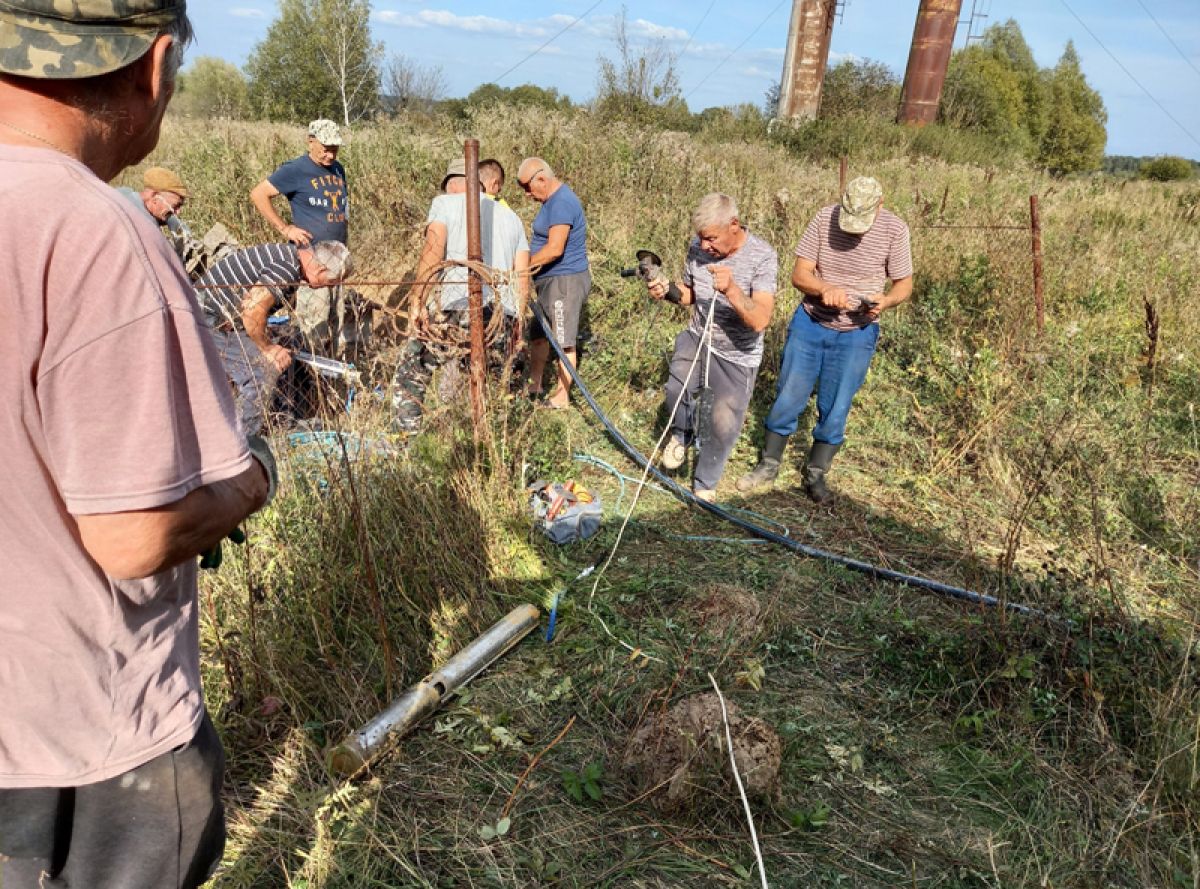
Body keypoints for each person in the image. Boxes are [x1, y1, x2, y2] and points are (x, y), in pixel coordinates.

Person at [0, 3, 274, 888]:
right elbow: (137, 534)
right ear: (154, 65)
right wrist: (255, 477)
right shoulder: (94, 228)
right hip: (79, 747)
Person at [738, 176, 913, 502]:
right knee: (789, 394)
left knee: (837, 404)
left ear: (881, 204)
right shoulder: (823, 217)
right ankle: (769, 463)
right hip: (811, 323)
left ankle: (816, 474)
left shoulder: (895, 230)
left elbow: (904, 285)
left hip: (857, 333)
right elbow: (799, 274)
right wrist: (824, 289)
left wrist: (885, 302)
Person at [645, 194, 777, 501]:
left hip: (736, 354)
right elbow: (691, 295)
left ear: (734, 225)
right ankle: (682, 434)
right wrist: (667, 290)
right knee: (676, 390)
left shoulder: (762, 256)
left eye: (711, 238)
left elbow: (760, 319)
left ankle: (705, 483)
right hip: (698, 336)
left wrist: (731, 289)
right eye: (701, 239)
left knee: (722, 421)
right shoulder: (698, 246)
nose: (704, 246)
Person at [393, 156, 531, 430]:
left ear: (455, 185)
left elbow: (433, 251)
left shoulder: (445, 204)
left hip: (458, 306)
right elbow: (522, 277)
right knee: (493, 381)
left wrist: (417, 300)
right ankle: (494, 440)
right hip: (501, 316)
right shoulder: (512, 217)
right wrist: (518, 323)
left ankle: (404, 440)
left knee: (413, 369)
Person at [196, 240, 353, 435]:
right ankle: (245, 442)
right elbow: (252, 310)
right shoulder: (286, 269)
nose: (328, 288)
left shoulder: (290, 257)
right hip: (204, 320)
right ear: (321, 269)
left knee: (289, 344)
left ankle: (280, 421)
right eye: (331, 282)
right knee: (261, 371)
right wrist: (266, 348)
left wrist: (268, 342)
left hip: (220, 319)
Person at [249, 119, 349, 354]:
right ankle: (310, 379)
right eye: (325, 149)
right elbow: (258, 194)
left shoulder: (338, 169)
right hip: (311, 262)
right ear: (311, 142)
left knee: (337, 327)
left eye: (335, 149)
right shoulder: (295, 169)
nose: (330, 155)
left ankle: (333, 379)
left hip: (337, 261)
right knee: (313, 329)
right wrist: (286, 229)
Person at [518, 156, 590, 409]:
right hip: (548, 282)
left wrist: (520, 268)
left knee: (563, 340)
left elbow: (554, 249)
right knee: (539, 336)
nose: (527, 194)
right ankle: (534, 386)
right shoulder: (550, 203)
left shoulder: (562, 202)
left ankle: (561, 397)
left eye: (528, 187)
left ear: (542, 178)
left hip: (564, 282)